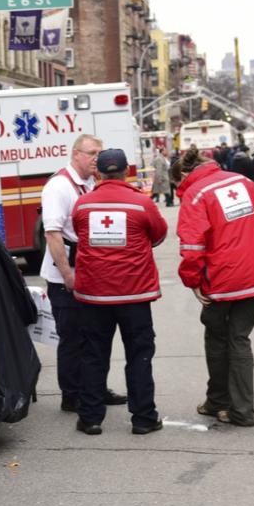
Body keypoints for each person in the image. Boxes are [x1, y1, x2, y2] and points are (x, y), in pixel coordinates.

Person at [171, 148, 254, 428]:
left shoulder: (196, 194)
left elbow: (192, 248)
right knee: (240, 338)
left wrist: (192, 281)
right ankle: (241, 409)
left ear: (183, 175)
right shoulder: (243, 182)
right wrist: (241, 236)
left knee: (217, 336)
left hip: (221, 279)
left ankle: (219, 401)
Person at [71, 149, 168, 435]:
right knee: (139, 355)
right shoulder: (141, 203)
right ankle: (143, 418)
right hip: (134, 295)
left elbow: (78, 234)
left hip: (94, 295)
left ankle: (90, 418)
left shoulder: (82, 205)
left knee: (93, 355)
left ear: (98, 173)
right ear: (127, 171)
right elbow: (159, 235)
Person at [40, 133, 126, 414]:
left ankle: (95, 389)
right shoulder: (59, 186)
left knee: (93, 335)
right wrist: (67, 276)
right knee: (73, 337)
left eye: (100, 153)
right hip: (66, 274)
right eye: (92, 153)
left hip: (87, 271)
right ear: (76, 154)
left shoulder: (89, 183)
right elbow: (52, 234)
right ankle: (73, 395)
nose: (97, 158)